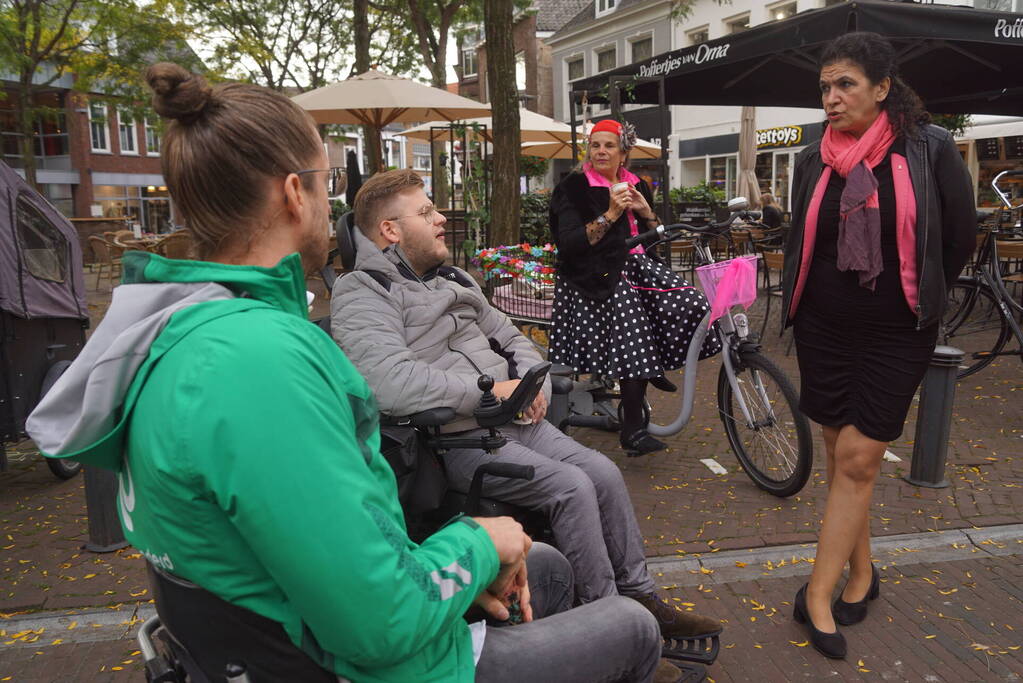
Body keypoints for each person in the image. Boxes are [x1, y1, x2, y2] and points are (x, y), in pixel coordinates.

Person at [26, 64, 673, 683]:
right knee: (632, 627)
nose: (331, 202)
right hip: (378, 663)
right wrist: (476, 542)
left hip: (289, 629)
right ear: (293, 192)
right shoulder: (258, 363)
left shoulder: (174, 334)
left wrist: (469, 545)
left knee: (548, 567)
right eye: (325, 180)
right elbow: (382, 620)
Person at [330, 169, 723, 649]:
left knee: (604, 472)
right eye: (426, 211)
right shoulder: (363, 290)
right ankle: (611, 630)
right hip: (456, 439)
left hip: (514, 420)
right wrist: (493, 391)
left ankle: (641, 598)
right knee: (573, 487)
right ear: (390, 229)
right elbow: (391, 384)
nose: (441, 218)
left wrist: (532, 382)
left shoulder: (453, 277)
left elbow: (510, 334)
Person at [779, 33, 976, 659]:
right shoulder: (811, 158)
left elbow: (959, 236)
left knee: (860, 458)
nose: (831, 98)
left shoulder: (929, 148)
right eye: (825, 87)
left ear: (883, 88)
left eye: (845, 85)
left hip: (897, 328)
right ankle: (861, 573)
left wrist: (923, 295)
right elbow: (801, 237)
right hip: (824, 326)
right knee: (843, 457)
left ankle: (817, 593)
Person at [547, 120, 722, 457]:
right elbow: (569, 244)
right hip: (594, 273)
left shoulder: (636, 183)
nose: (600, 151)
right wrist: (611, 213)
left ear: (623, 153)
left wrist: (647, 212)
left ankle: (651, 365)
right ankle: (633, 430)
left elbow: (654, 234)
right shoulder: (573, 187)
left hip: (637, 264)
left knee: (693, 302)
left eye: (609, 145)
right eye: (595, 145)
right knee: (633, 332)